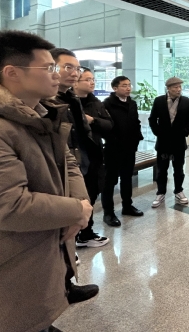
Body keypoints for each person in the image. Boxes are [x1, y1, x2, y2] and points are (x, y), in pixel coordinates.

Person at [0, 30, 95, 332]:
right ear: (12, 73)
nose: (57, 74)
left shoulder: (35, 117)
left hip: (34, 255)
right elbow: (4, 205)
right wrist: (76, 211)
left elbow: (67, 163)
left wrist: (80, 202)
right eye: (48, 67)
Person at [51, 49, 109, 250]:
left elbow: (94, 129)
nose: (74, 73)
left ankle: (82, 237)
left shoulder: (72, 99)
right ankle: (68, 248)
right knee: (68, 209)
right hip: (64, 165)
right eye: (68, 67)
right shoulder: (46, 102)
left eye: (77, 69)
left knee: (86, 201)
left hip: (86, 161)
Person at [74, 68, 114, 246]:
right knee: (74, 197)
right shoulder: (67, 102)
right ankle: (71, 238)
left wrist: (93, 121)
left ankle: (86, 234)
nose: (92, 82)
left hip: (94, 156)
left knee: (91, 193)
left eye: (93, 79)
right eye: (88, 79)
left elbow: (109, 125)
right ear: (75, 83)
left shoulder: (96, 102)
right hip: (74, 157)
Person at [102, 75, 144, 226]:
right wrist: (114, 141)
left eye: (129, 85)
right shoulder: (107, 104)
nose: (128, 88)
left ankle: (127, 206)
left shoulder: (132, 103)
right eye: (124, 85)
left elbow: (136, 122)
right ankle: (108, 213)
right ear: (115, 88)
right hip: (113, 149)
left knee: (127, 178)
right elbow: (105, 127)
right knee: (110, 181)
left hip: (129, 148)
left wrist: (137, 139)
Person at [149, 77, 189, 208]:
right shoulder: (159, 101)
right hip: (163, 141)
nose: (178, 89)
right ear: (168, 88)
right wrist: (158, 132)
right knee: (162, 169)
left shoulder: (186, 101)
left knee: (178, 169)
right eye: (175, 87)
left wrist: (185, 132)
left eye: (180, 87)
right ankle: (160, 192)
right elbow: (152, 119)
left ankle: (179, 191)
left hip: (179, 141)